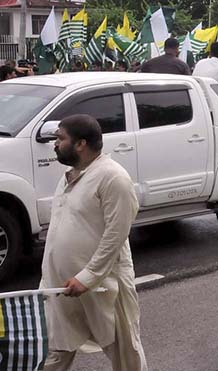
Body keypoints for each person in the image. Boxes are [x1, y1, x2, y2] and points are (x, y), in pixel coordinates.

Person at [41, 114, 147, 371]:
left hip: (105, 286)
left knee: (126, 353)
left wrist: (87, 277)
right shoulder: (69, 176)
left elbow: (116, 235)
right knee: (56, 349)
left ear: (81, 144)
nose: (55, 144)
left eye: (60, 138)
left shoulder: (112, 178)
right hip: (62, 286)